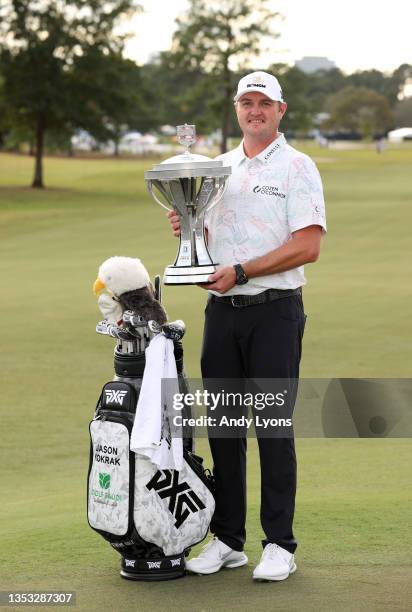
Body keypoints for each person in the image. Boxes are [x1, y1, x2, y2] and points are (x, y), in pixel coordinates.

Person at [168, 71, 327, 581]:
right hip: (223, 316)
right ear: (237, 109)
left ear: (281, 110)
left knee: (273, 432)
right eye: (246, 102)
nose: (254, 110)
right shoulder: (220, 168)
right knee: (225, 431)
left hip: (275, 311)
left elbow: (308, 245)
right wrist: (189, 230)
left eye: (264, 102)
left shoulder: (297, 167)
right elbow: (211, 240)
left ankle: (279, 543)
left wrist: (240, 271)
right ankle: (229, 539)